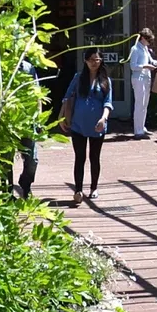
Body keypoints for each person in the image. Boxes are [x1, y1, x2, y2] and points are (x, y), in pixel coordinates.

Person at [60, 47, 112, 204]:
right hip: (78, 124)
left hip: (98, 125)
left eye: (97, 59)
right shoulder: (78, 78)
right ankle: (78, 190)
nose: (94, 63)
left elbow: (108, 103)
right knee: (79, 157)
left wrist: (104, 119)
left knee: (94, 158)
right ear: (85, 61)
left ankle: (94, 188)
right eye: (91, 60)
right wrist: (62, 117)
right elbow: (67, 97)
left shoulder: (106, 81)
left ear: (101, 60)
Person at [127, 28, 157, 138]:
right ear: (142, 38)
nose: (149, 42)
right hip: (138, 78)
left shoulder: (145, 48)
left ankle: (142, 126)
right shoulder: (135, 49)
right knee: (139, 103)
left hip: (146, 77)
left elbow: (151, 61)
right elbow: (133, 66)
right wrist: (145, 66)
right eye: (148, 39)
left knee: (145, 104)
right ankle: (138, 130)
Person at [15, 57, 40, 198]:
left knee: (32, 159)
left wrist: (38, 118)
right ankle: (7, 191)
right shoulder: (0, 66)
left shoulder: (28, 68)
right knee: (5, 160)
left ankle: (26, 183)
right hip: (8, 119)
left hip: (27, 120)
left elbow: (37, 95)